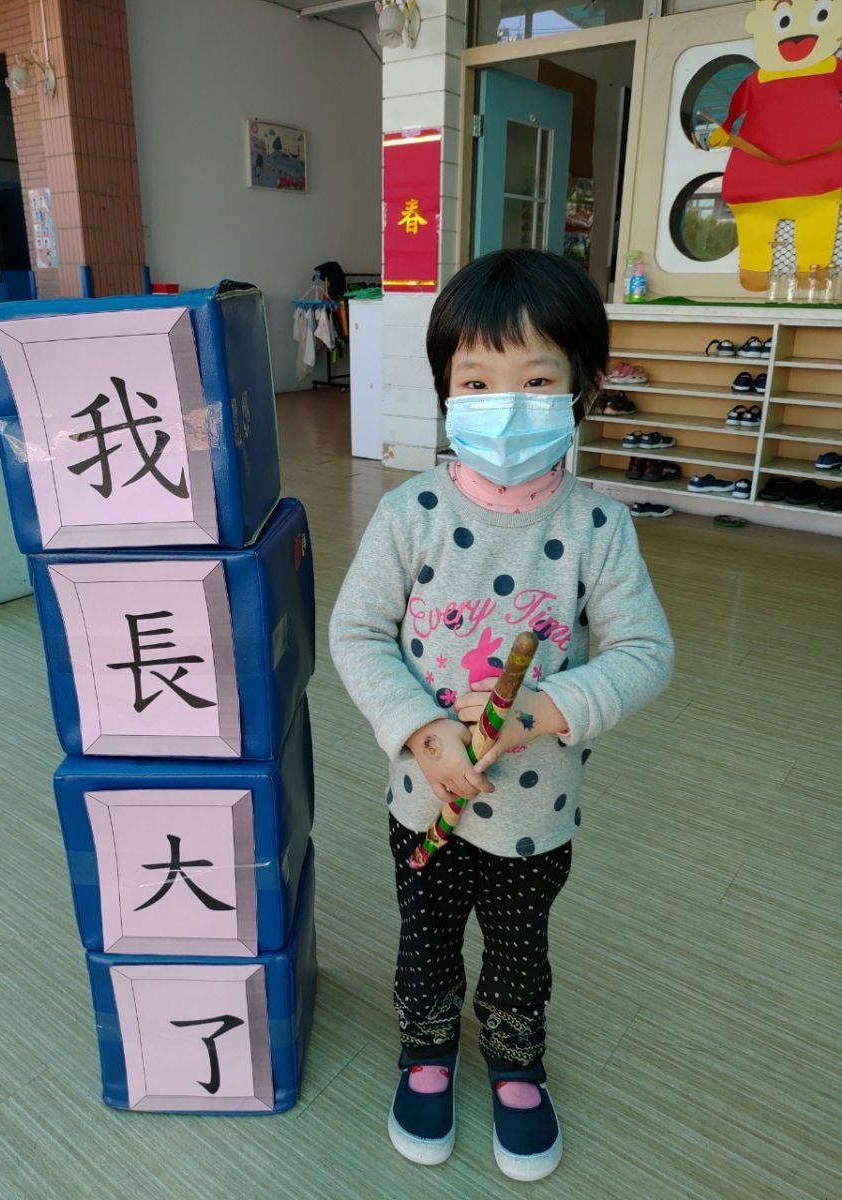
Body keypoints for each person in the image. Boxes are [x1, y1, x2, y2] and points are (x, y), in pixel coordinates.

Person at [329, 249, 674, 1182]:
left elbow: (645, 651)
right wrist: (424, 730)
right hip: (423, 800)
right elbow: (357, 633)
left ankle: (517, 1062)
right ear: (448, 390)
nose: (506, 405)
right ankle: (426, 1050)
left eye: (537, 380)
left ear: (583, 389)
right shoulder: (409, 513)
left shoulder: (600, 527)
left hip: (536, 810)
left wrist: (542, 711)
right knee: (427, 938)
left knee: (521, 952)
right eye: (478, 382)